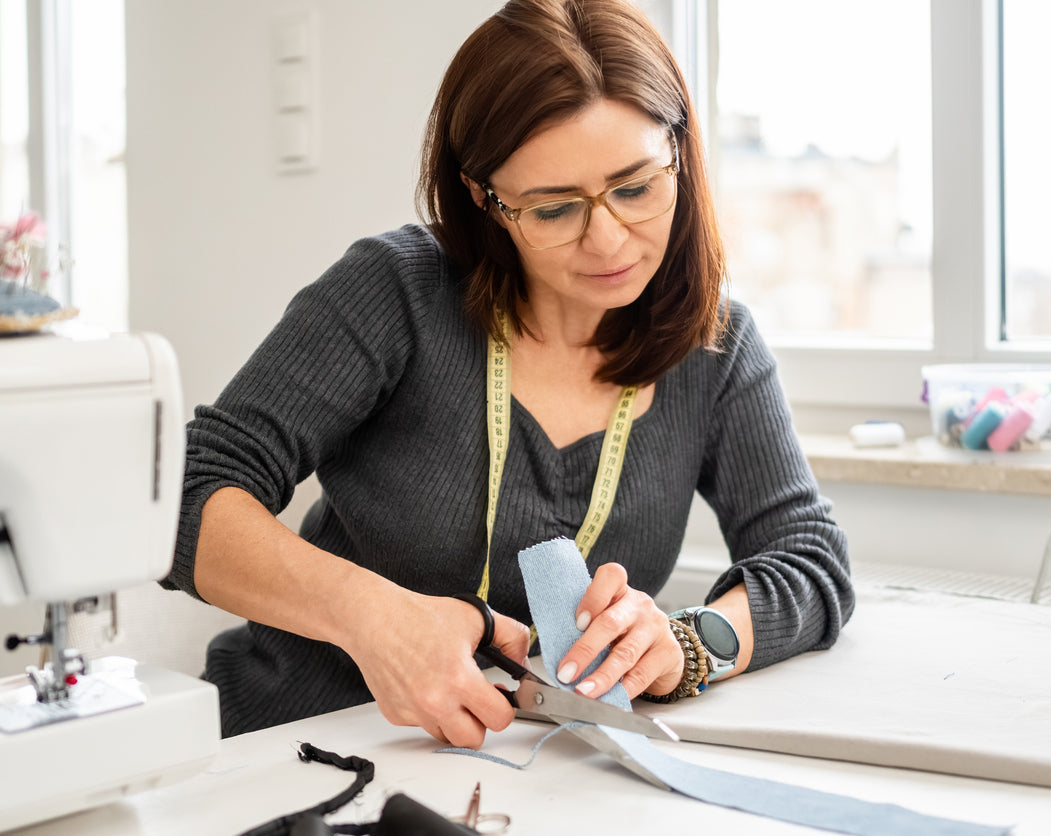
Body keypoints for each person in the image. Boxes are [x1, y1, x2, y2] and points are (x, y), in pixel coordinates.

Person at [163, 0, 854, 747]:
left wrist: (688, 645)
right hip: (292, 748)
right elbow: (188, 495)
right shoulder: (398, 294)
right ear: (483, 198)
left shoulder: (715, 347)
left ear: (680, 154)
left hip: (537, 781)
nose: (608, 238)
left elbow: (809, 558)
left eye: (636, 187)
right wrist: (374, 618)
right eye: (555, 208)